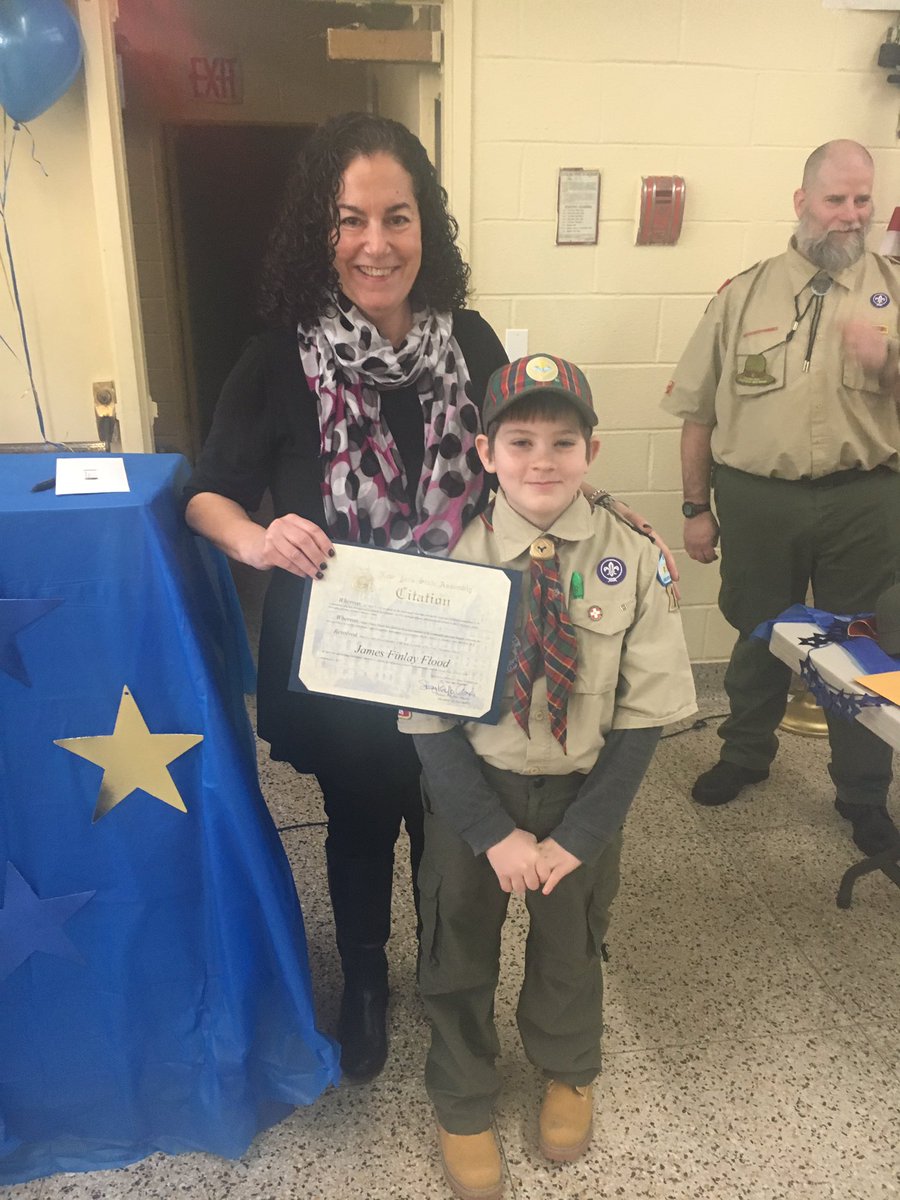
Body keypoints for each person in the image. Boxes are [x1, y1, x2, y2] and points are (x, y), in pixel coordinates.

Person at [184, 112, 677, 1085]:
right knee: (361, 816)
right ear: (321, 231)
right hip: (346, 646)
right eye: (351, 219)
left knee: (448, 816)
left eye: (397, 218)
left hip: (466, 640)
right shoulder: (278, 358)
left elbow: (531, 462)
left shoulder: (472, 340)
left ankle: (445, 967)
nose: (376, 243)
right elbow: (209, 493)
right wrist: (255, 538)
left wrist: (616, 515)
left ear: (426, 227)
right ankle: (367, 980)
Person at [401, 355, 695, 1199]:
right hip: (473, 794)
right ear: (485, 453)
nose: (542, 460)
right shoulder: (443, 555)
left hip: (580, 795)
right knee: (456, 942)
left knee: (573, 943)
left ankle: (569, 1069)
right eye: (520, 441)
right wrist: (490, 833)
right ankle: (462, 1096)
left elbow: (642, 717)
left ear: (591, 452)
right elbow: (426, 721)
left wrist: (581, 835)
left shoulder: (634, 555)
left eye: (563, 442)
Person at [662, 138, 900, 856]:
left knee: (862, 646)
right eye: (836, 199)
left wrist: (890, 363)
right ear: (802, 202)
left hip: (865, 500)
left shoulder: (895, 291)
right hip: (758, 500)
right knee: (759, 633)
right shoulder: (742, 295)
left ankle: (863, 793)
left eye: (863, 199)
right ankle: (744, 755)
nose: (851, 214)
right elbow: (697, 414)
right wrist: (695, 510)